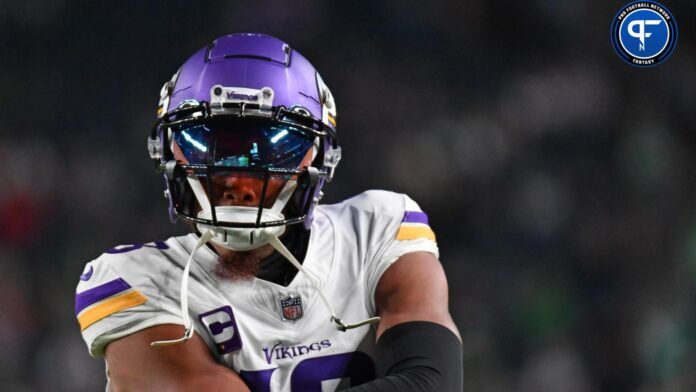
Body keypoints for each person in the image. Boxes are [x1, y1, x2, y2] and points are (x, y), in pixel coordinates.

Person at [75, 33, 463, 391]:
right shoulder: (136, 279)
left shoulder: (378, 228)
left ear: (318, 158)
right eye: (209, 144)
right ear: (171, 153)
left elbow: (433, 382)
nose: (238, 178)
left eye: (273, 147)